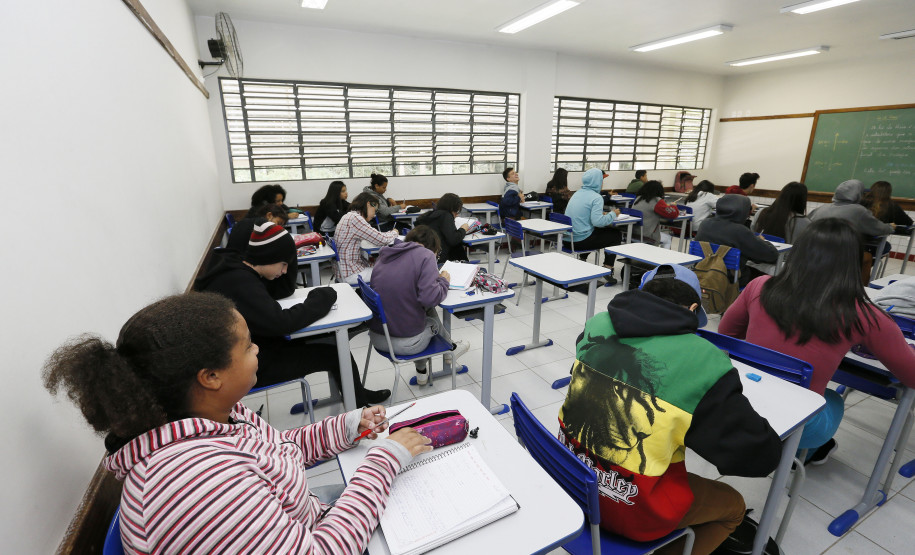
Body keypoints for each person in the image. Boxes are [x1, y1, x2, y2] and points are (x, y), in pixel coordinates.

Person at [43, 292, 431, 553]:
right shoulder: (194, 486)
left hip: (304, 518)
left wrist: (348, 426)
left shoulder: (210, 416)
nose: (257, 348)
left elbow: (277, 451)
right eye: (247, 344)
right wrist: (384, 462)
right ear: (210, 376)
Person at [558, 264, 781, 555]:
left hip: (569, 476)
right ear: (691, 309)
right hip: (631, 505)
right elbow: (758, 456)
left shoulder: (596, 325)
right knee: (734, 507)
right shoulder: (702, 359)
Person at [719, 218, 915, 465]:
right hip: (796, 421)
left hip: (739, 401)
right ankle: (803, 453)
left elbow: (725, 335)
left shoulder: (760, 286)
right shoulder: (865, 315)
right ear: (853, 263)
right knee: (831, 399)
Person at [195, 221, 391, 405]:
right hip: (252, 364)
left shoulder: (238, 269)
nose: (285, 270)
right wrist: (323, 298)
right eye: (283, 264)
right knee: (335, 354)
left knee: (331, 340)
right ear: (268, 258)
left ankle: (356, 395)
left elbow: (282, 291)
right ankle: (360, 406)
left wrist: (284, 266)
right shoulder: (242, 282)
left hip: (251, 349)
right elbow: (282, 323)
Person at [369, 225, 471, 385]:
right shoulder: (426, 255)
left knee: (423, 310)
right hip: (407, 343)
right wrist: (443, 280)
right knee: (429, 320)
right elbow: (431, 298)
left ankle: (422, 371)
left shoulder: (386, 254)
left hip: (378, 338)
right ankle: (451, 350)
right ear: (433, 250)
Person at [696, 195, 778, 286]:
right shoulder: (740, 231)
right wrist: (762, 241)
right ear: (743, 212)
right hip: (731, 279)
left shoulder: (705, 224)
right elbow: (771, 255)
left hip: (702, 272)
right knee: (769, 279)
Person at [564, 168, 622, 283]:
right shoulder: (596, 197)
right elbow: (598, 223)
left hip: (567, 239)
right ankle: (607, 268)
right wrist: (612, 214)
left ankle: (582, 258)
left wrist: (600, 214)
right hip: (580, 242)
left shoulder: (577, 193)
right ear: (597, 181)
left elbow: (583, 214)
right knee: (615, 235)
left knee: (593, 231)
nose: (602, 183)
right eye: (601, 180)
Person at [226, 203, 298, 295]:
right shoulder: (260, 232)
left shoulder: (241, 224)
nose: (279, 228)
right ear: (269, 216)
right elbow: (287, 286)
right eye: (279, 223)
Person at [334, 192, 400, 285]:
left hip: (344, 270)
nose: (374, 215)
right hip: (351, 273)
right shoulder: (356, 218)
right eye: (375, 210)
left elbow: (374, 235)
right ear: (368, 204)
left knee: (378, 264)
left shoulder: (348, 216)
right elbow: (381, 239)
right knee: (391, 273)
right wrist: (394, 232)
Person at [415, 193, 470, 263]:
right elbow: (453, 239)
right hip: (439, 259)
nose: (457, 214)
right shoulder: (446, 215)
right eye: (457, 211)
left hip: (424, 258)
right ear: (452, 209)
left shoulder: (430, 214)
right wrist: (463, 229)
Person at [631, 179, 680, 248]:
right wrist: (673, 206)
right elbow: (673, 214)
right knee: (668, 239)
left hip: (633, 233)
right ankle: (660, 258)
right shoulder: (656, 200)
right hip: (647, 236)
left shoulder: (638, 198)